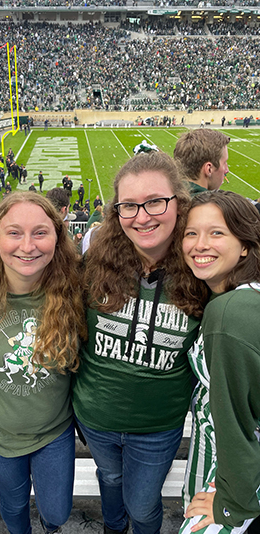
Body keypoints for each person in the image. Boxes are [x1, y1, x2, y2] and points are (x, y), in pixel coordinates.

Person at [72, 151, 208, 534]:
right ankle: (113, 528)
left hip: (157, 426)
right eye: (128, 206)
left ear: (179, 204)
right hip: (95, 417)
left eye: (155, 202)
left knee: (144, 507)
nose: (142, 216)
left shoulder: (203, 268)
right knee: (110, 480)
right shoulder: (94, 262)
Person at [0, 192, 87, 534]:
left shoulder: (78, 290)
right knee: (13, 504)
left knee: (57, 513)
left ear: (58, 238)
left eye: (40, 233)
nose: (27, 246)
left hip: (53, 432)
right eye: (14, 232)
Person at [180, 190, 260, 534]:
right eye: (191, 233)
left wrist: (231, 504)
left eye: (217, 233)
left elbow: (238, 419)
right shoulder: (239, 296)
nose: (200, 244)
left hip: (235, 473)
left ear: (245, 244)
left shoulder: (228, 312)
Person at [174, 129, 230, 195]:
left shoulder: (166, 196)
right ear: (209, 169)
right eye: (224, 163)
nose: (227, 170)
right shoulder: (208, 204)